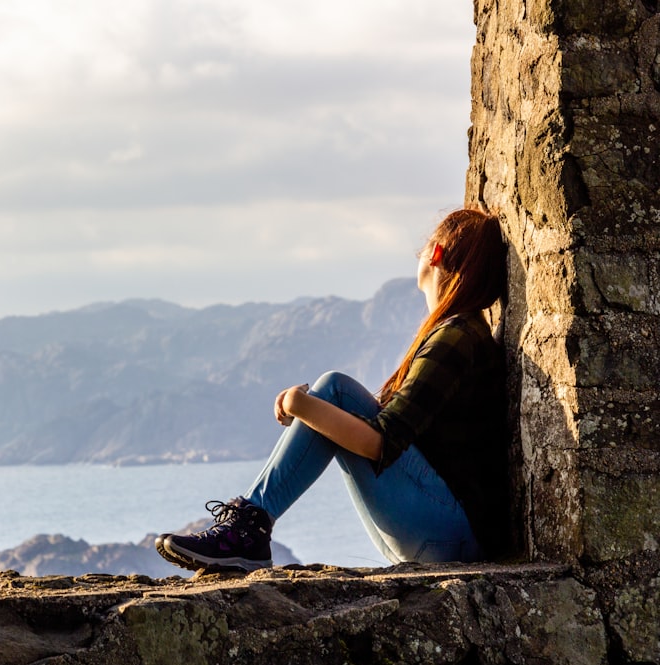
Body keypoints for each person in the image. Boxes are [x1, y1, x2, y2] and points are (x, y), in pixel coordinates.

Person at [156, 208, 510, 572]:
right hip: (447, 532)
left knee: (335, 390)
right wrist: (313, 409)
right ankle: (250, 525)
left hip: (452, 537)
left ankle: (250, 527)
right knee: (332, 396)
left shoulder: (455, 338)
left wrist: (301, 404)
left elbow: (379, 443)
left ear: (435, 253)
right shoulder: (461, 334)